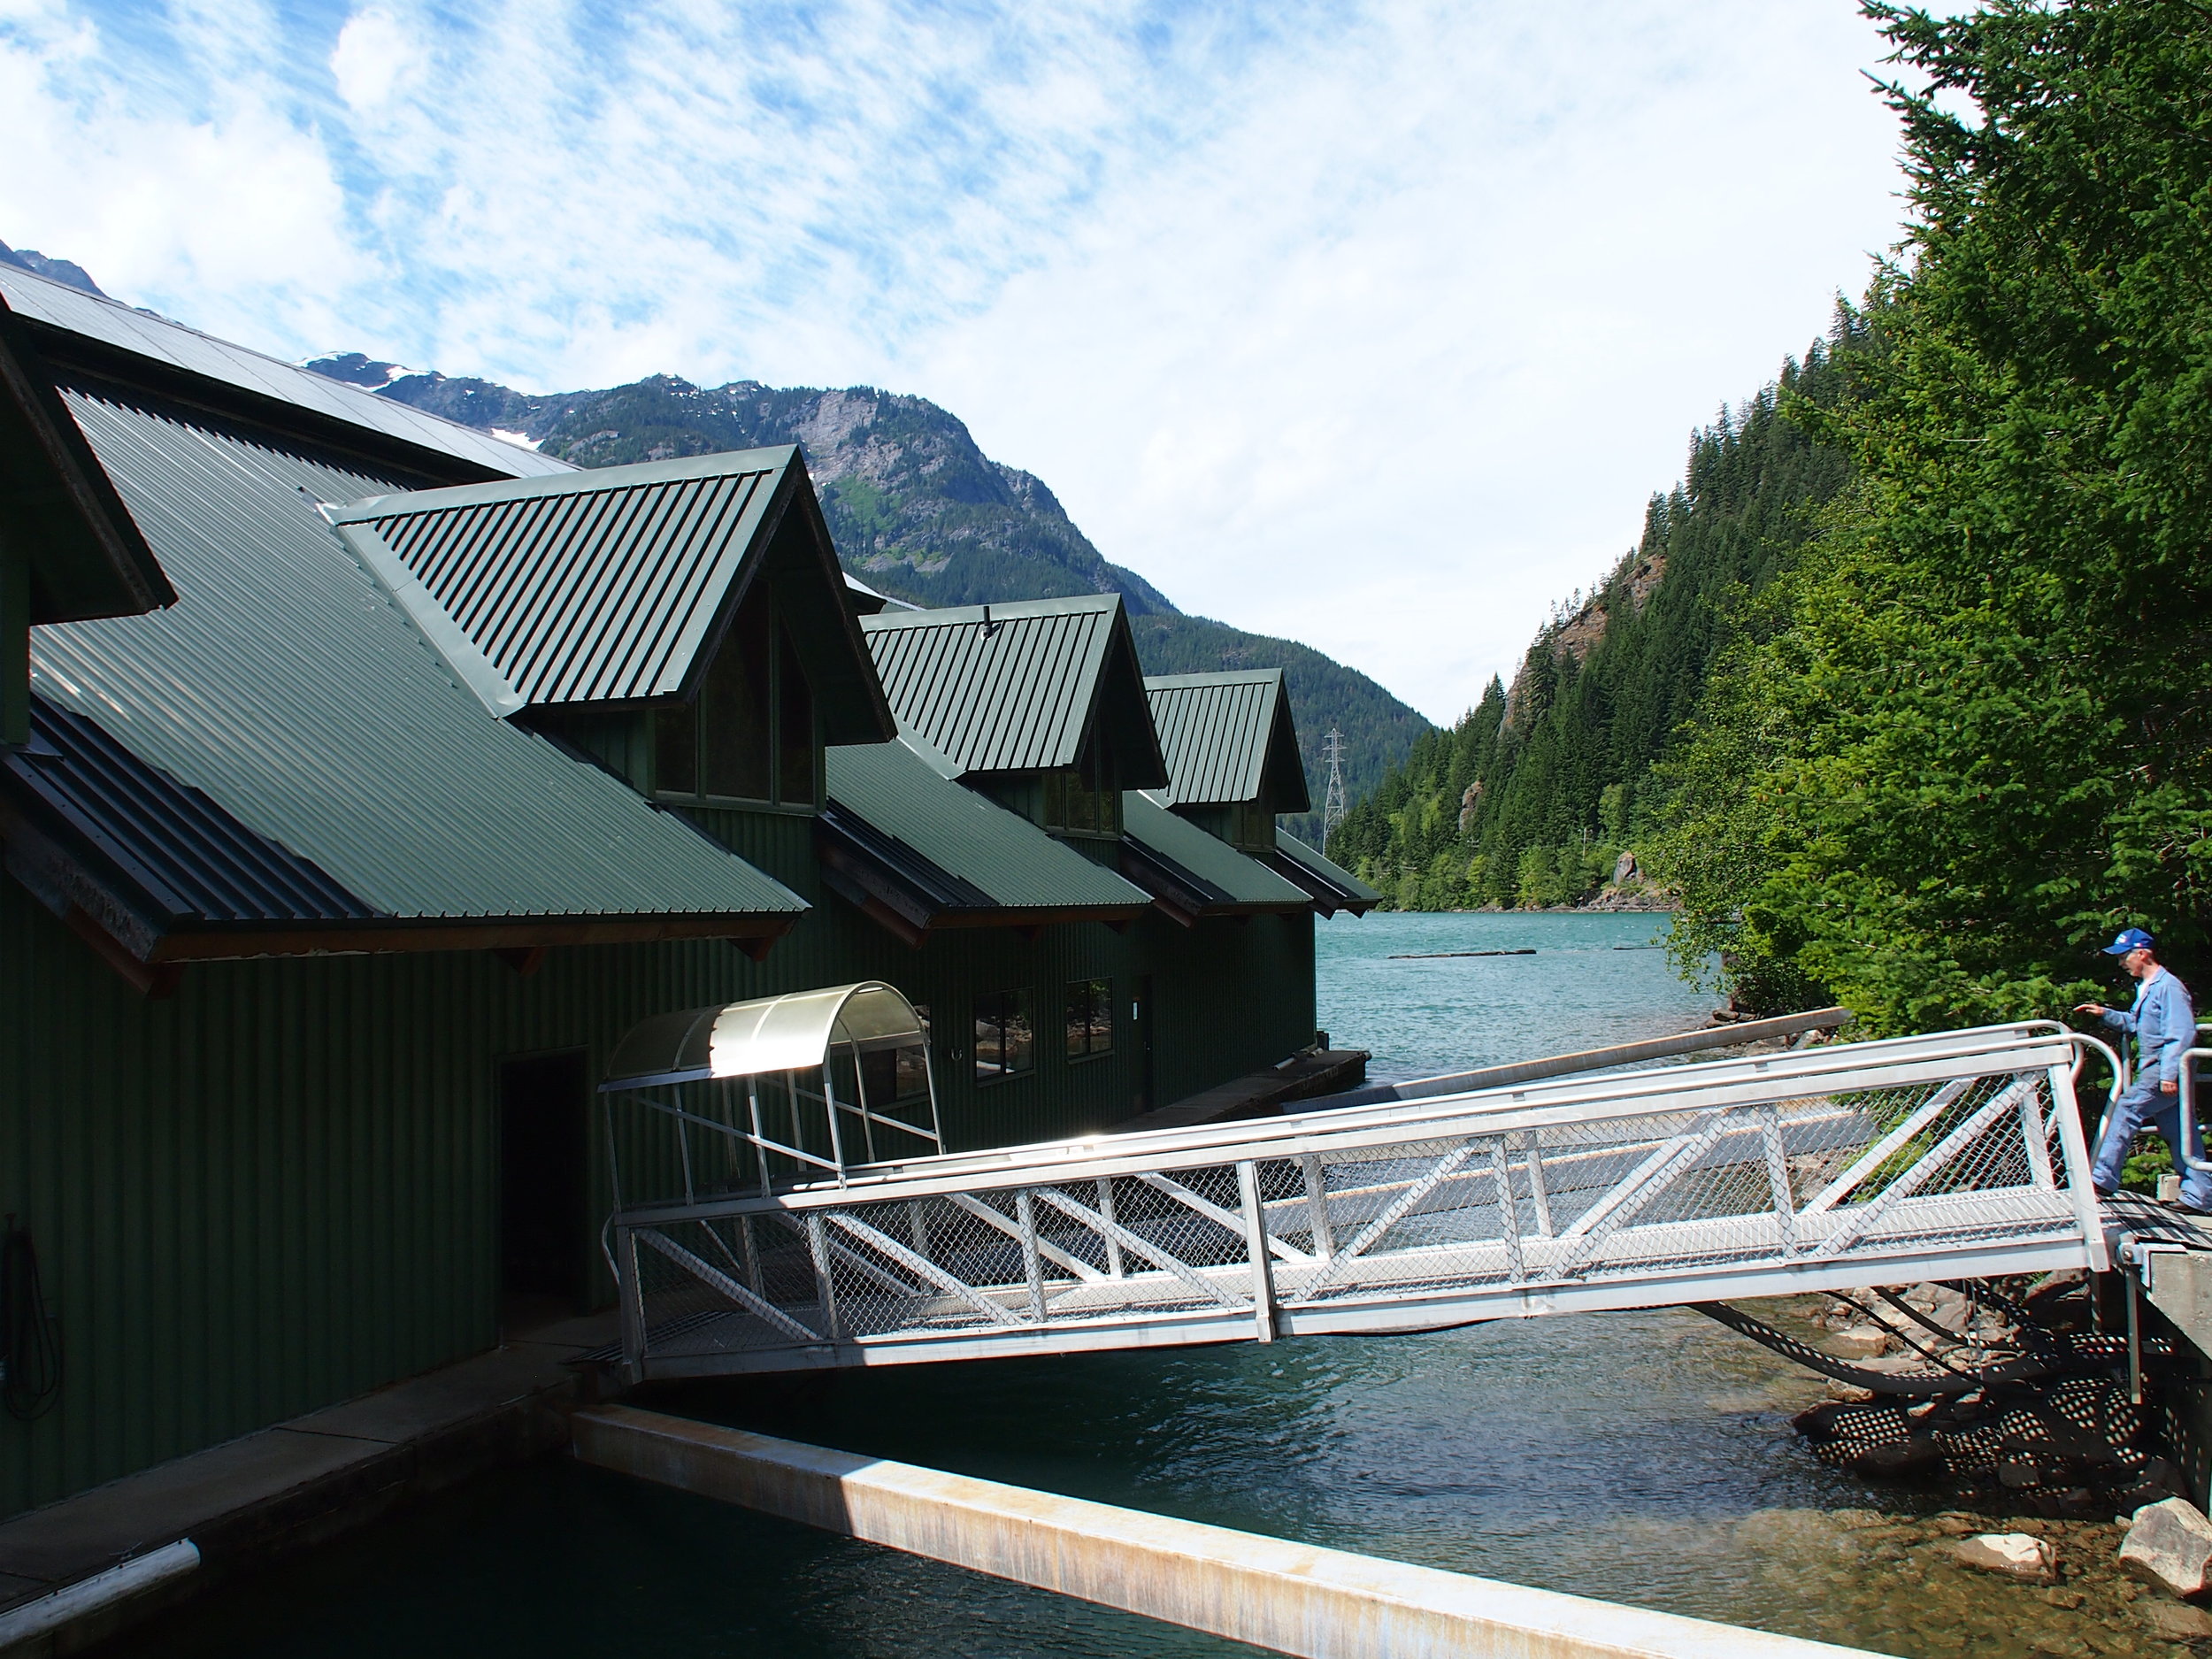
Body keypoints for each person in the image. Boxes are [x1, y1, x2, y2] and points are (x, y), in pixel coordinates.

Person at [2078, 926, 2206, 1210]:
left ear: (2142, 954)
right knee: (2180, 1129)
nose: (2121, 964)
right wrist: (2105, 1014)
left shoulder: (2168, 987)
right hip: (2160, 1068)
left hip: (2164, 1068)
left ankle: (2102, 1179)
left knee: (2127, 1107)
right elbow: (2135, 1024)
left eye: (2124, 957)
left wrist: (2169, 1074)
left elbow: (2180, 1033)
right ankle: (2201, 1194)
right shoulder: (2148, 987)